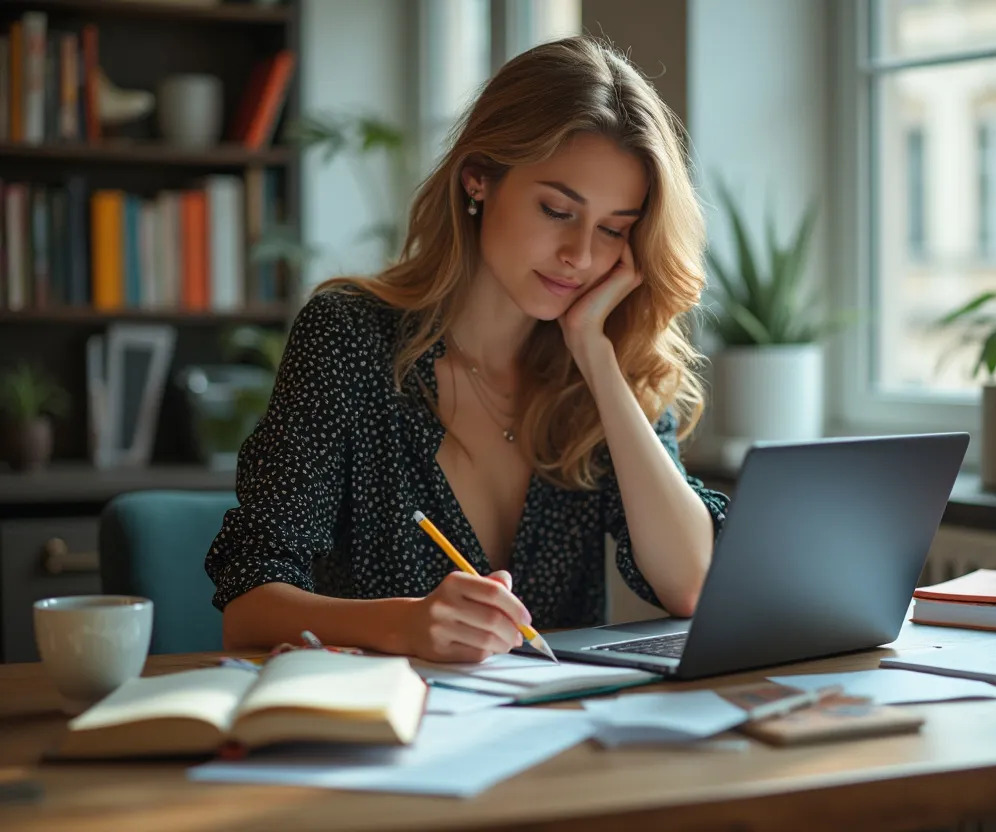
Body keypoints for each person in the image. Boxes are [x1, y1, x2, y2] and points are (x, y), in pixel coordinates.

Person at [205, 35, 729, 663]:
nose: (583, 256)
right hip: (385, 739)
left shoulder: (607, 365)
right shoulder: (348, 337)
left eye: (615, 229)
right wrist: (404, 626)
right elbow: (249, 609)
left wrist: (595, 356)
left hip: (561, 743)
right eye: (558, 210)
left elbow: (691, 583)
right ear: (479, 179)